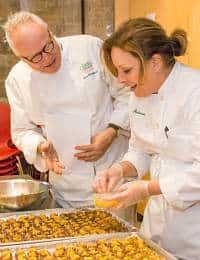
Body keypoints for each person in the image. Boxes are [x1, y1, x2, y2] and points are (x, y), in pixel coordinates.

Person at [93, 18, 200, 259]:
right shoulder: (139, 93)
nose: (120, 79)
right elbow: (141, 149)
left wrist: (146, 188)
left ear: (155, 62)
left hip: (195, 233)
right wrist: (119, 170)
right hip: (156, 227)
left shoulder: (195, 93)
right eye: (117, 71)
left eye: (126, 70)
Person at [4, 11, 130, 208]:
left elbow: (127, 93)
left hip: (113, 173)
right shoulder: (17, 79)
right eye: (35, 57)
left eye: (48, 46)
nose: (46, 58)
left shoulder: (90, 47)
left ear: (51, 32)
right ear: (21, 58)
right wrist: (39, 145)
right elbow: (22, 131)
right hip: (67, 184)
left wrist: (111, 131)